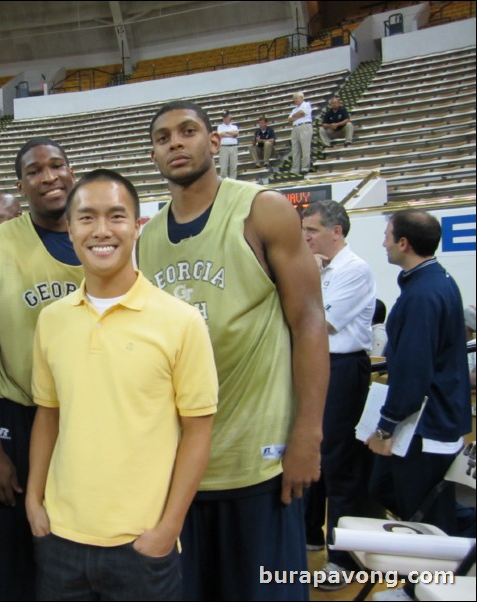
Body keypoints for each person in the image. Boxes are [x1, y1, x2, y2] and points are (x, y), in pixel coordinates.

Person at [139, 100, 328, 601]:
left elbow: (309, 322)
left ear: (214, 142)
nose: (175, 143)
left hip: (261, 462)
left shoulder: (260, 209)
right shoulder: (148, 239)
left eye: (187, 131)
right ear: (153, 155)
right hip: (185, 473)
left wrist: (308, 434)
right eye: (163, 138)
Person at [27, 169, 217, 600]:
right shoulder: (52, 320)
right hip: (60, 540)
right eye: (87, 218)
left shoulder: (180, 321)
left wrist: (168, 528)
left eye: (116, 216)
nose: (101, 231)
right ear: (71, 229)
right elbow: (48, 415)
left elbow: (199, 431)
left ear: (137, 226)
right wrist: (34, 503)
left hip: (142, 545)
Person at [0, 137, 81, 600]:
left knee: (80, 544)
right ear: (21, 185)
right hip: (19, 414)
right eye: (35, 171)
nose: (49, 176)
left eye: (57, 165)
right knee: (15, 559)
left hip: (89, 419)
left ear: (72, 172)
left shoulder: (99, 234)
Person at [368, 210, 471, 534]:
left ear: (404, 242)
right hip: (432, 417)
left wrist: (386, 428)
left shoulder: (422, 295)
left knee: (427, 513)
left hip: (427, 423)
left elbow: (414, 371)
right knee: (387, 489)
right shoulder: (432, 281)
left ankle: (424, 583)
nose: (383, 243)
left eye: (387, 236)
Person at [301, 200, 377, 588]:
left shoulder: (354, 269)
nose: (305, 237)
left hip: (343, 369)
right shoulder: (319, 267)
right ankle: (311, 533)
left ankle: (344, 560)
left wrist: (306, 284)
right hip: (317, 366)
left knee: (339, 461)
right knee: (310, 450)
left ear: (336, 232)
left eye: (311, 230)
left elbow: (320, 322)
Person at [288, 91, 313, 176]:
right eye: (294, 98)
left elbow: (302, 113)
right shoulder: (294, 109)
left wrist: (294, 116)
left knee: (305, 149)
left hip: (305, 126)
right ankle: (295, 169)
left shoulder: (306, 104)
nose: (295, 100)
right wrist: (297, 115)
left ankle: (305, 167)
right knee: (295, 150)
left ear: (302, 98)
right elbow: (290, 119)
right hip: (295, 128)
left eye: (296, 98)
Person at [216, 110, 239, 179]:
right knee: (223, 167)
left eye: (226, 117)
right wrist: (231, 134)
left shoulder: (234, 126)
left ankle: (233, 181)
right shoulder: (220, 126)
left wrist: (226, 133)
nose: (225, 119)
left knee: (233, 166)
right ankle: (224, 182)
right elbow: (220, 134)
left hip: (233, 147)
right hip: (224, 147)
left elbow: (236, 133)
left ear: (229, 117)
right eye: (223, 117)